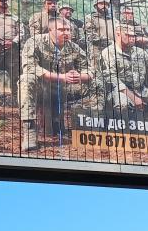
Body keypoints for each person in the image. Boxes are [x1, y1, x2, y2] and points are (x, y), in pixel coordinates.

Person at [19, 18, 100, 151]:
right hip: (42, 87)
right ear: (50, 30)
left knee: (97, 83)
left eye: (68, 30)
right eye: (61, 30)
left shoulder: (73, 47)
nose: (66, 32)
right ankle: (30, 131)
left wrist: (79, 76)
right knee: (26, 79)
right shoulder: (34, 42)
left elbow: (89, 70)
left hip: (64, 88)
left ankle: (93, 122)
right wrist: (62, 77)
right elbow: (30, 67)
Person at [83, 0, 115, 68]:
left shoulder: (113, 20)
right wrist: (108, 41)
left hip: (112, 50)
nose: (104, 6)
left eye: (106, 4)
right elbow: (90, 34)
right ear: (95, 6)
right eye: (101, 4)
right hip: (96, 50)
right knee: (96, 71)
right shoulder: (90, 18)